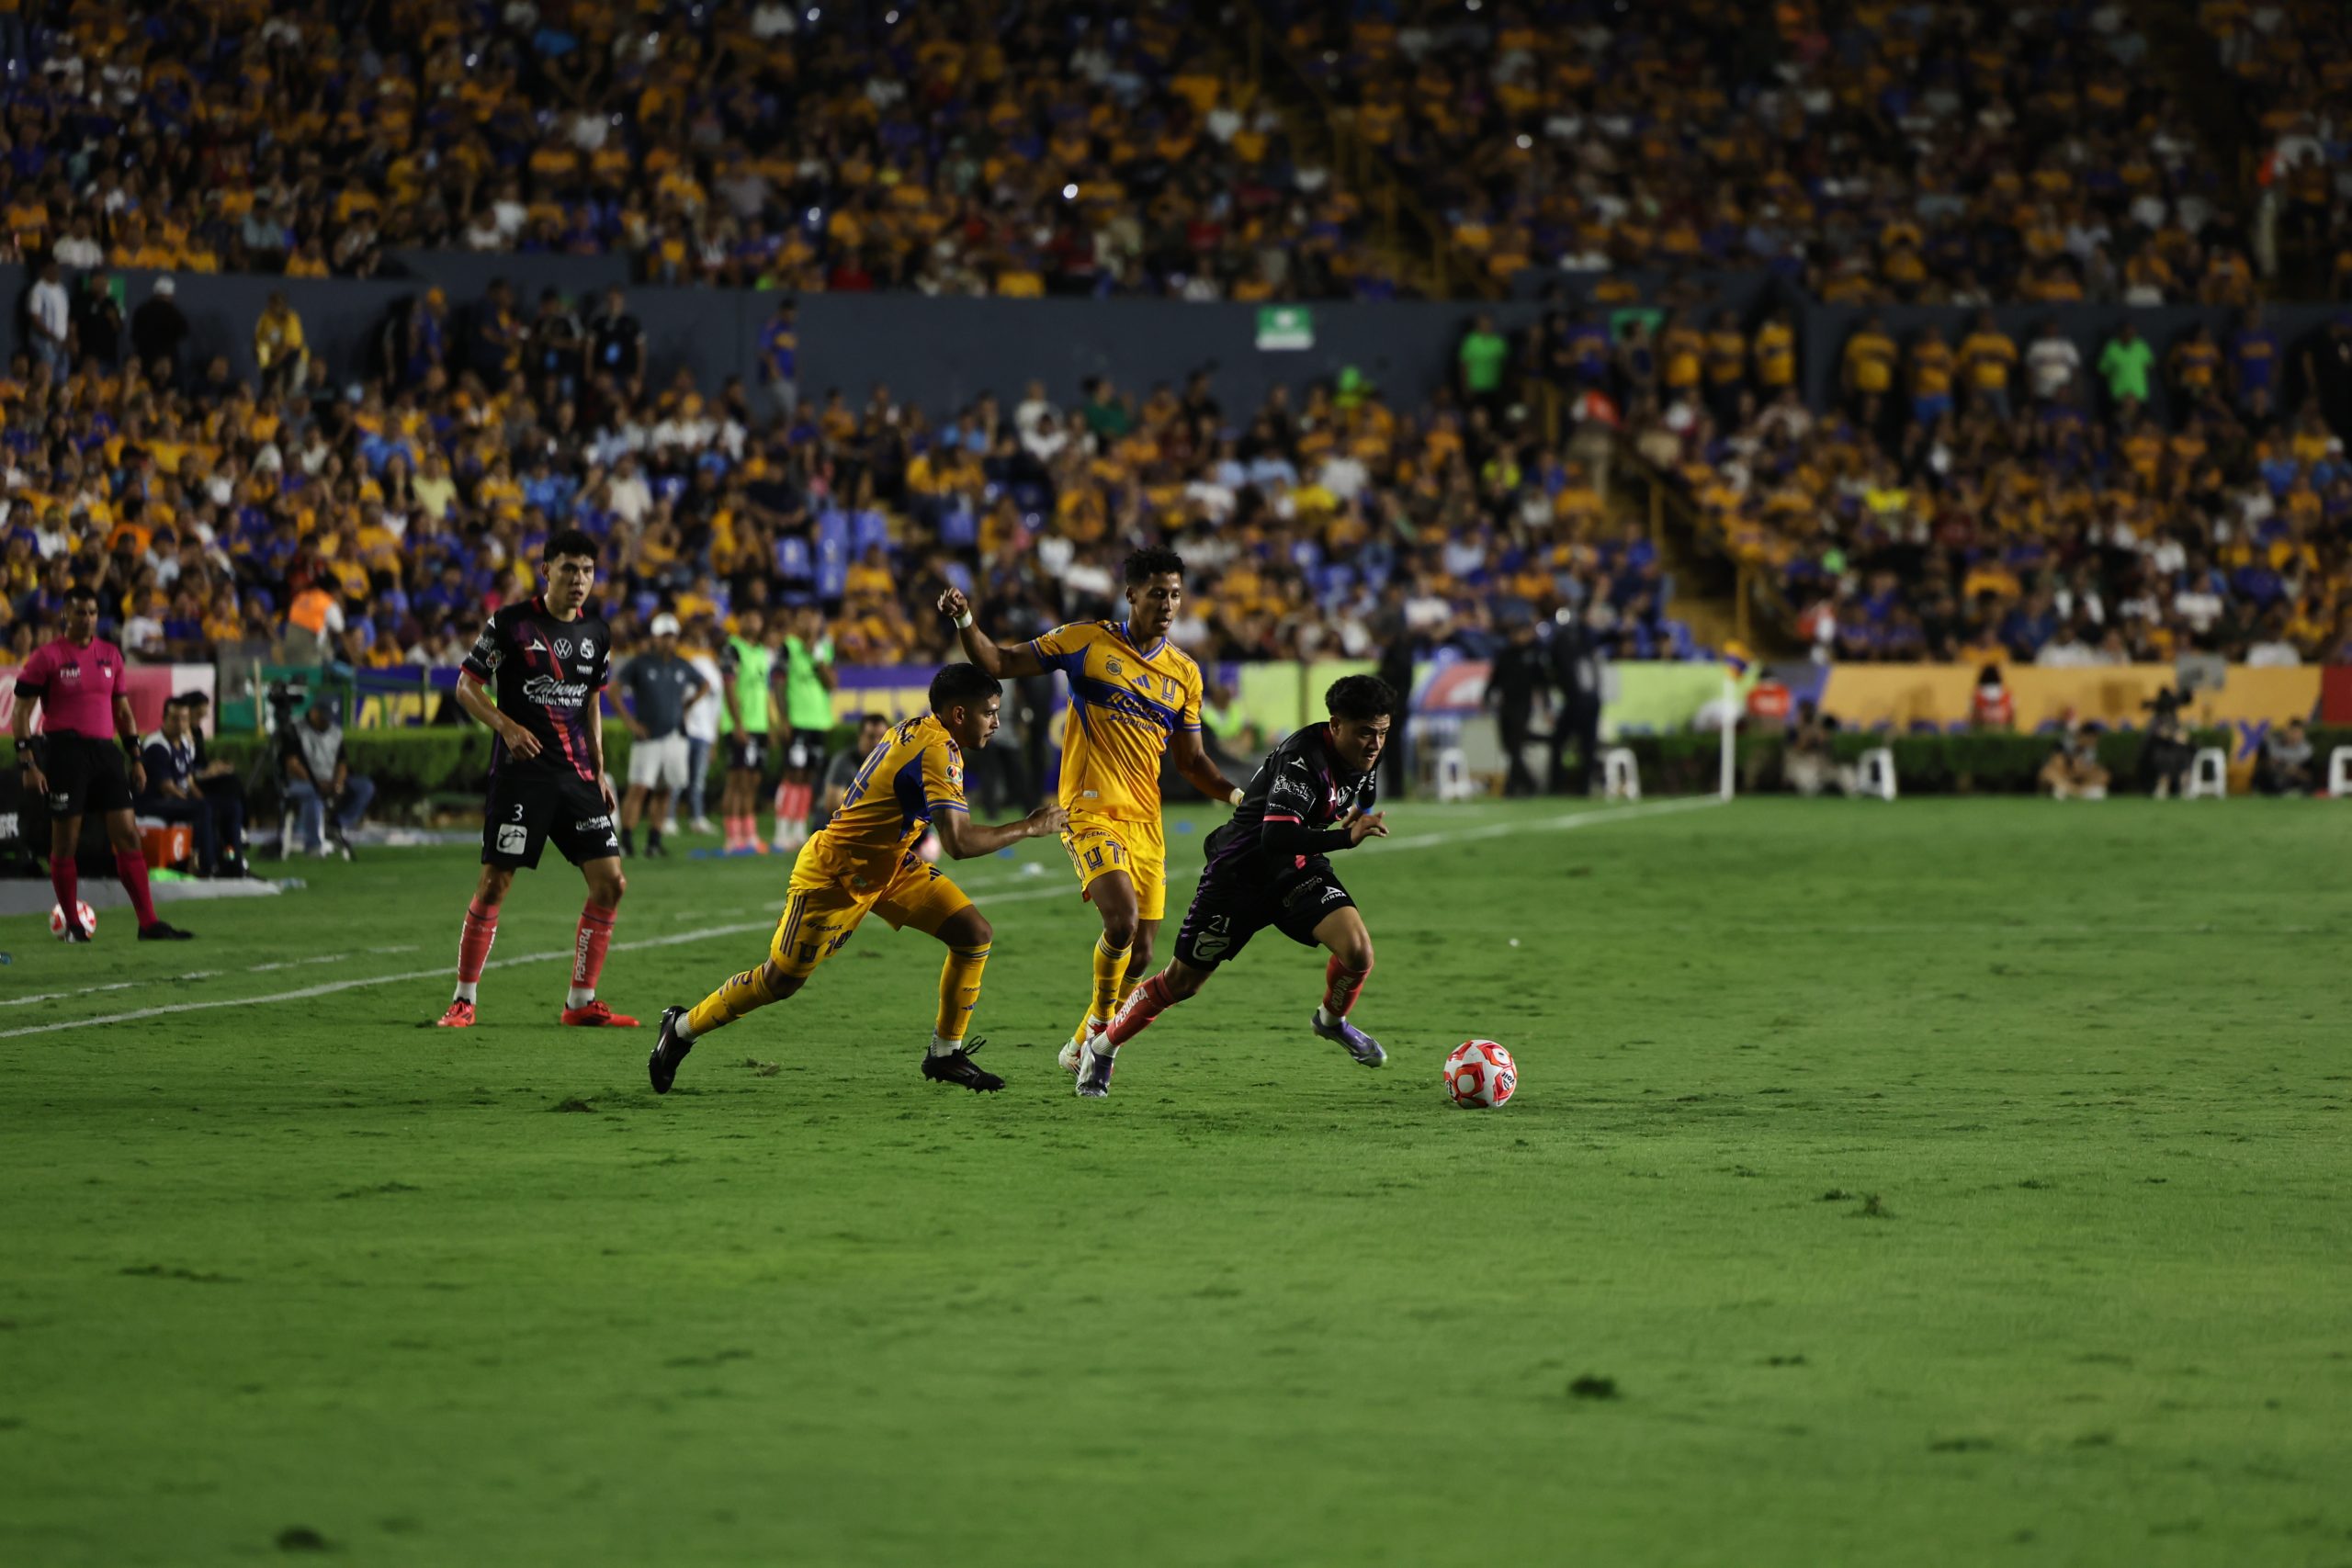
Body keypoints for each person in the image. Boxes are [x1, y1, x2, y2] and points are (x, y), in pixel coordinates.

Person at [647, 665, 1069, 1096]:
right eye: (989, 713)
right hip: (835, 875)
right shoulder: (938, 750)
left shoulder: (923, 729)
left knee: (974, 934)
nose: (997, 722)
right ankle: (680, 1029)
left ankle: (945, 1053)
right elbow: (958, 843)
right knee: (780, 981)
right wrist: (1031, 826)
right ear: (959, 714)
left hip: (889, 867)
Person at [938, 547, 1247, 1066]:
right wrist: (966, 618)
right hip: (1088, 809)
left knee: (1144, 953)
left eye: (1175, 594)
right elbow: (997, 661)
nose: (1168, 604)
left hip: (1147, 822)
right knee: (1121, 921)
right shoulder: (1085, 641)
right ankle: (1104, 1036)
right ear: (1131, 595)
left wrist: (1237, 794)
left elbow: (1192, 762)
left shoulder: (1184, 674)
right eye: (1156, 594)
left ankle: (1081, 1042)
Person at [1078, 675, 1396, 1098]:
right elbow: (1276, 837)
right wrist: (1345, 837)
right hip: (1239, 877)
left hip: (1298, 871)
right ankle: (1100, 1050)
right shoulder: (1304, 761)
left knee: (1358, 952)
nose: (1374, 744)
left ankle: (1331, 1021)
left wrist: (1360, 812)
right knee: (1181, 983)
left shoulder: (1361, 758)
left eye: (1382, 733)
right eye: (1364, 734)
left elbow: (1363, 790)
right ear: (1336, 726)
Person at [436, 529, 632, 1030]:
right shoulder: (510, 623)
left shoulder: (598, 634)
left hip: (577, 777)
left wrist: (600, 769)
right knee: (495, 882)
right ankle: (463, 999)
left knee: (610, 884)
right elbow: (466, 685)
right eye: (569, 569)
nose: (579, 580)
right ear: (547, 570)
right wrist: (506, 724)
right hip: (521, 777)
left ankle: (581, 1001)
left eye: (587, 571)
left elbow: (591, 702)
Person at [9, 583, 194, 941]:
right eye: (80, 612)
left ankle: (148, 923)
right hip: (65, 753)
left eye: (93, 612)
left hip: (106, 754)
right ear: (65, 615)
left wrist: (135, 756)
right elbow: (21, 712)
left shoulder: (110, 655)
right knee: (65, 843)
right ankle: (73, 925)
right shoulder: (47, 657)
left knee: (127, 835)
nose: (87, 619)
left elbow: (123, 711)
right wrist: (28, 764)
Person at [616, 613, 710, 858]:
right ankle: (626, 840)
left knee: (665, 790)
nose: (668, 641)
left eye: (672, 636)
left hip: (675, 737)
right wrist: (629, 721)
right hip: (648, 737)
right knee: (638, 789)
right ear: (655, 638)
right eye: (664, 636)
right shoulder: (641, 663)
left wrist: (688, 704)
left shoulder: (681, 664)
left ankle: (653, 842)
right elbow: (613, 690)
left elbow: (705, 684)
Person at [141, 696, 245, 876]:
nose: (180, 724)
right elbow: (167, 787)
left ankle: (234, 864)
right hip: (154, 801)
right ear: (164, 718)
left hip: (176, 799)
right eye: (175, 719)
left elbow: (188, 780)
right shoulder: (156, 746)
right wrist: (197, 803)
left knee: (231, 806)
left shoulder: (186, 745)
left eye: (183, 719)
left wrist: (201, 798)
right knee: (202, 809)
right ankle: (207, 866)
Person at [770, 602, 835, 854]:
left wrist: (817, 656)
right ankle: (781, 829)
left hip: (818, 721)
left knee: (808, 776)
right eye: (805, 618)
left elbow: (831, 683)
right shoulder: (788, 648)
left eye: (814, 619)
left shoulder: (824, 648)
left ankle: (798, 828)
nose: (810, 624)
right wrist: (783, 719)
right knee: (792, 774)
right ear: (797, 622)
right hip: (796, 721)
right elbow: (777, 684)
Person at [280, 699, 376, 857]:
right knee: (312, 794)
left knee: (364, 787)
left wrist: (338, 782)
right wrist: (316, 783)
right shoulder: (295, 731)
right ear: (314, 712)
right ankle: (314, 846)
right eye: (324, 716)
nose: (327, 720)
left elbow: (342, 763)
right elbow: (292, 765)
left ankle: (337, 824)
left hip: (328, 780)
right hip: (300, 782)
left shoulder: (335, 733)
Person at [716, 607, 774, 854]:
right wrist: (738, 723)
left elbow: (764, 691)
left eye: (757, 616)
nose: (753, 620)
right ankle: (732, 838)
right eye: (748, 616)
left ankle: (749, 835)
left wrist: (770, 724)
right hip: (740, 725)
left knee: (752, 781)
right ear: (740, 621)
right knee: (736, 780)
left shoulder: (761, 652)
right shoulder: (732, 648)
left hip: (759, 725)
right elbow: (728, 687)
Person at [1486, 618, 1545, 796]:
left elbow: (1542, 682)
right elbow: (1494, 678)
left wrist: (1546, 706)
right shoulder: (1505, 654)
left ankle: (1521, 785)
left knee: (1515, 745)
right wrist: (1486, 696)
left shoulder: (1533, 655)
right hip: (1506, 704)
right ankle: (1520, 784)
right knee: (1509, 746)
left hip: (1523, 705)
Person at [811, 712, 891, 833]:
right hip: (837, 824)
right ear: (860, 737)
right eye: (871, 737)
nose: (876, 742)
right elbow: (832, 805)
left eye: (881, 737)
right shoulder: (844, 761)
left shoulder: (891, 762)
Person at [2041, 722, 2110, 800]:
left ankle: (2075, 792)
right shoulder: (2065, 743)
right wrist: (2071, 770)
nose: (2093, 743)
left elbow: (2090, 768)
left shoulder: (2090, 750)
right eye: (2091, 739)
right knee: (2048, 773)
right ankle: (2078, 792)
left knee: (2103, 775)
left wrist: (2080, 770)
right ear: (2083, 736)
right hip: (2062, 776)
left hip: (2078, 779)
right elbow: (2057, 763)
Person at [2256, 718, 2315, 795]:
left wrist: (2295, 771)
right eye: (2293, 732)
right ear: (2286, 732)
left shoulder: (2306, 750)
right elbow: (2264, 764)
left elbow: (2309, 775)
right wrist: (2281, 766)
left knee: (2307, 784)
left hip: (2294, 780)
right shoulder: (2273, 744)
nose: (2295, 735)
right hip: (2275, 778)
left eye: (2298, 732)